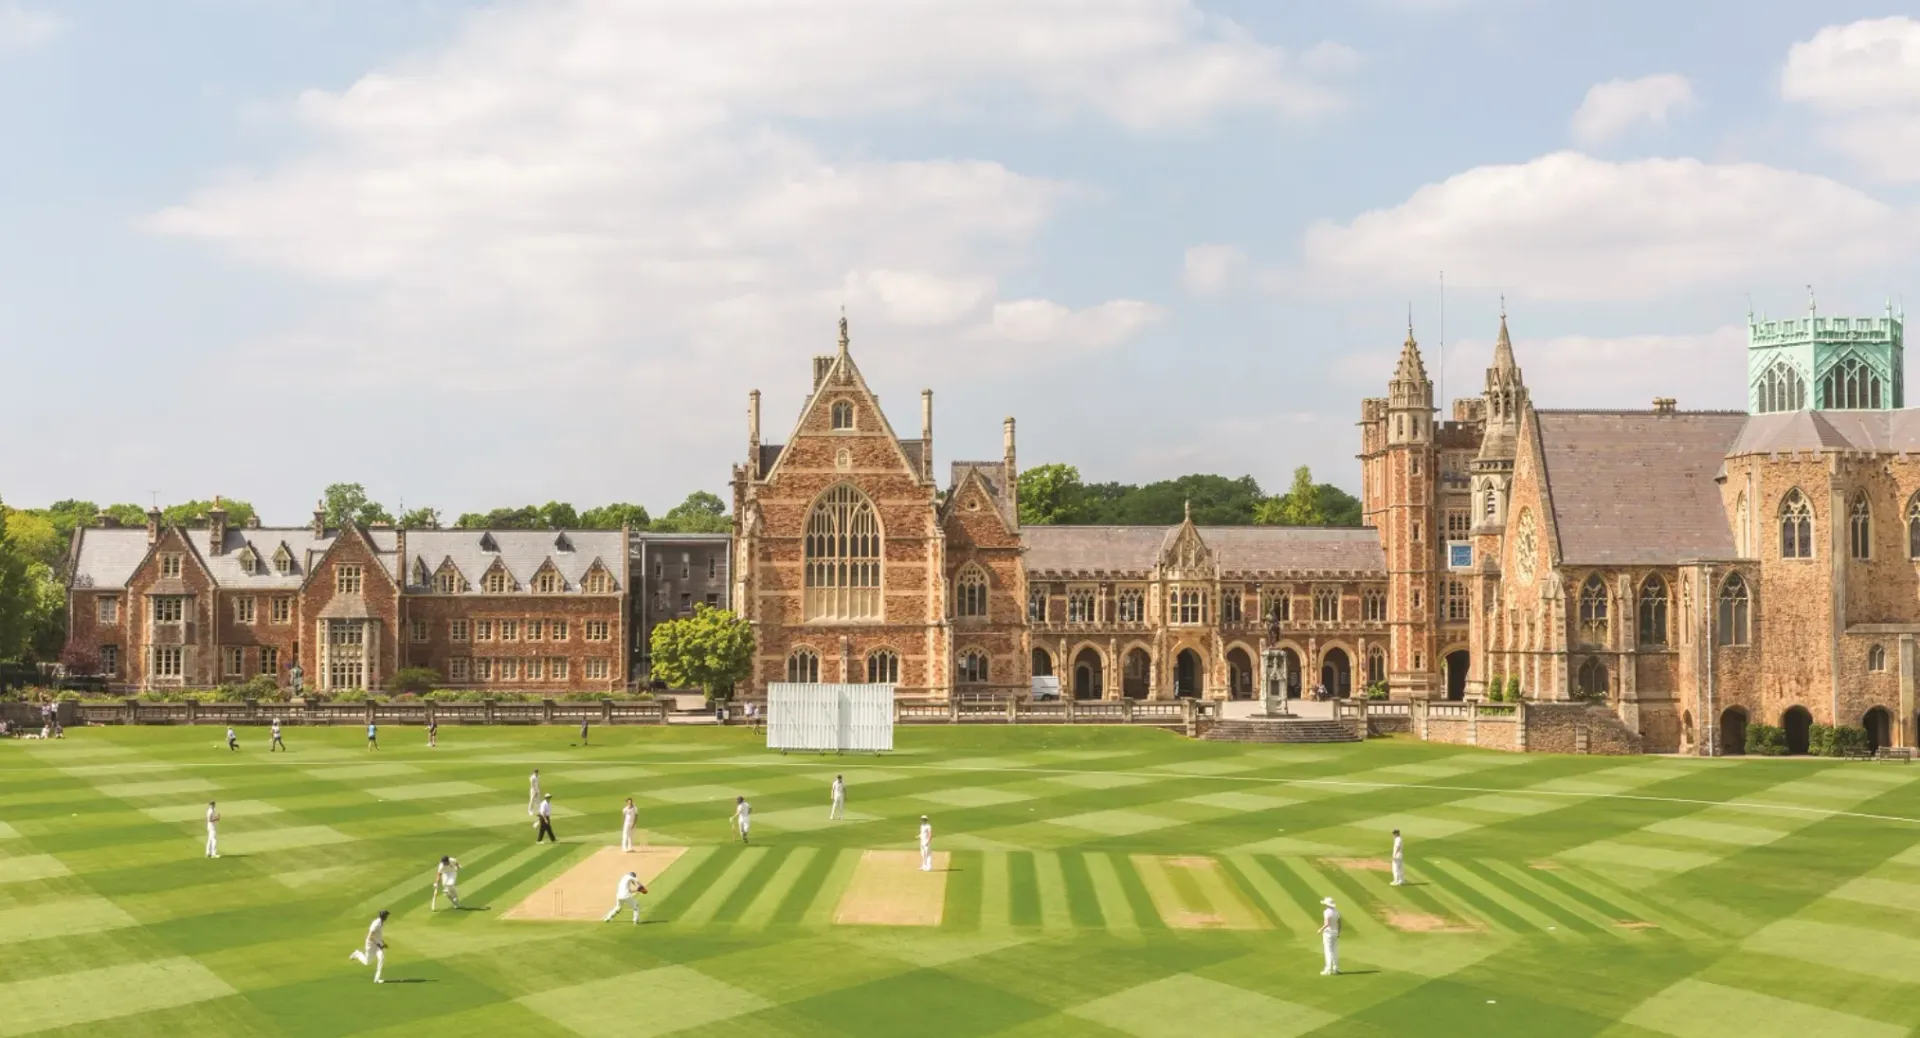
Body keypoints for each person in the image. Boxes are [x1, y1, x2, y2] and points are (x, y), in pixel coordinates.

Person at [347, 909, 389, 983]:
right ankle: (357, 954)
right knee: (367, 962)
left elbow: (378, 935)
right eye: (386, 915)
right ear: (383, 916)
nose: (387, 917)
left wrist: (383, 943)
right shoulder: (376, 924)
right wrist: (379, 944)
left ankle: (377, 978)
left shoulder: (381, 923)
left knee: (381, 958)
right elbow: (370, 936)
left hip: (377, 943)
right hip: (371, 944)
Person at [1319, 897, 1341, 976]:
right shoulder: (1336, 912)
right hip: (1335, 932)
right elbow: (1339, 923)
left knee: (1328, 950)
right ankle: (1336, 968)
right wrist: (1338, 932)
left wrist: (1320, 930)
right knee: (1335, 950)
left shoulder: (1326, 912)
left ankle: (1328, 969)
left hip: (1328, 933)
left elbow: (1327, 924)